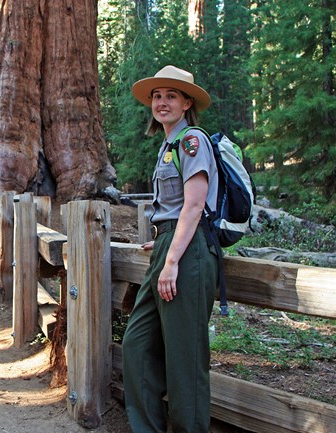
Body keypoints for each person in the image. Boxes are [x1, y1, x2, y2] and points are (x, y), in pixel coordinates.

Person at [122, 65, 219, 433]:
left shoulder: (193, 140)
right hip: (171, 245)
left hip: (188, 254)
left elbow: (194, 206)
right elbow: (175, 210)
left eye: (171, 96)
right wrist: (162, 240)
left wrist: (173, 257)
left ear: (187, 102)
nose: (162, 102)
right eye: (157, 96)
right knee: (137, 344)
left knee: (184, 358)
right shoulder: (168, 145)